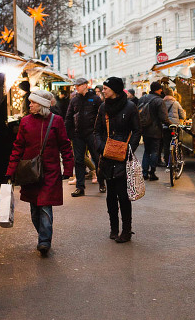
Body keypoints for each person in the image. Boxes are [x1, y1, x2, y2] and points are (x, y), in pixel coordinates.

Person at [6, 90, 74, 256]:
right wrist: (11, 171)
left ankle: (44, 240)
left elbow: (65, 146)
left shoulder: (56, 121)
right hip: (30, 172)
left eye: (33, 102)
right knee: (34, 209)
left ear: (42, 104)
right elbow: (18, 147)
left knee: (44, 206)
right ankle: (43, 233)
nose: (29, 105)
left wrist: (68, 168)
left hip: (50, 171)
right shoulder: (25, 122)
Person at [93, 77, 141, 243]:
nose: (103, 91)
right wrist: (101, 147)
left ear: (115, 89)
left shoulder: (130, 107)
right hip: (106, 156)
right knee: (110, 196)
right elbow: (97, 131)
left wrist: (129, 149)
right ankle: (114, 228)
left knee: (123, 195)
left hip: (123, 156)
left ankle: (126, 231)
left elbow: (136, 130)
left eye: (106, 88)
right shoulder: (103, 107)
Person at [65, 77, 105, 196]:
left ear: (85, 85)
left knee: (97, 159)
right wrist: (69, 133)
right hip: (78, 135)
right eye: (76, 86)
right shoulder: (74, 100)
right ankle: (80, 187)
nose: (76, 87)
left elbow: (102, 116)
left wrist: (100, 134)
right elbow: (69, 117)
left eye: (79, 85)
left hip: (92, 134)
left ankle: (102, 183)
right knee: (78, 161)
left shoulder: (95, 99)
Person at [137, 81, 170, 181]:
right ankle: (152, 172)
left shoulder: (143, 98)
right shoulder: (159, 101)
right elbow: (163, 117)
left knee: (147, 151)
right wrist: (171, 124)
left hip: (145, 129)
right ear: (159, 89)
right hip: (156, 130)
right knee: (155, 151)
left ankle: (144, 172)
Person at [161, 87, 186, 165]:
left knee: (166, 144)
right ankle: (176, 159)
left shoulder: (161, 103)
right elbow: (183, 116)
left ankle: (167, 161)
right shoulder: (176, 103)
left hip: (165, 126)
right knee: (177, 142)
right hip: (175, 126)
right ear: (172, 94)